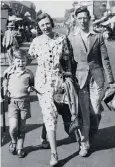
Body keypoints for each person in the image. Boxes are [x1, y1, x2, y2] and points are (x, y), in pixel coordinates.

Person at [28, 13, 76, 166]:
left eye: (47, 23)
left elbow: (68, 59)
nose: (45, 27)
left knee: (54, 111)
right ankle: (54, 154)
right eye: (42, 25)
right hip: (42, 83)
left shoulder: (61, 39)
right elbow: (27, 59)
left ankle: (44, 138)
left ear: (51, 22)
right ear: (39, 27)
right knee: (49, 114)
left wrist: (69, 76)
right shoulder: (36, 42)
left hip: (59, 81)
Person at [68, 6, 115, 157]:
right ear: (76, 19)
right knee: (86, 114)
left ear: (89, 18)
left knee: (95, 111)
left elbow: (105, 59)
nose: (82, 21)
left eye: (85, 18)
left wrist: (112, 81)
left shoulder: (98, 36)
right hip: (80, 79)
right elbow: (68, 59)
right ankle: (85, 143)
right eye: (79, 18)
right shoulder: (71, 36)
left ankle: (90, 131)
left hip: (97, 78)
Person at [2, 49, 34, 158]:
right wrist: (4, 89)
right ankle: (13, 141)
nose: (21, 63)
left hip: (24, 102)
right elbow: (4, 82)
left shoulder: (29, 73)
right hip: (12, 103)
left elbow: (32, 84)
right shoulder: (9, 72)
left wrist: (31, 88)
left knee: (22, 127)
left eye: (23, 61)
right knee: (13, 127)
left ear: (27, 61)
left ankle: (20, 147)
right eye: (18, 61)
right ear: (14, 61)